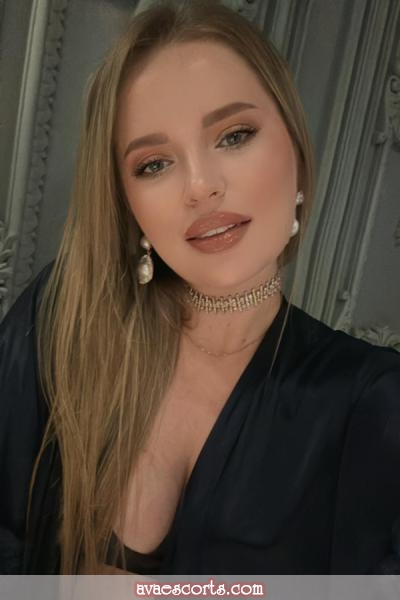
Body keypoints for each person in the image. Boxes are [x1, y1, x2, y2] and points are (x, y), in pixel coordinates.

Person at [1, 0, 399, 576]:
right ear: (128, 203)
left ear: (295, 144)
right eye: (153, 164)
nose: (200, 186)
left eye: (234, 135)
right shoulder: (63, 316)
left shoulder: (372, 402)